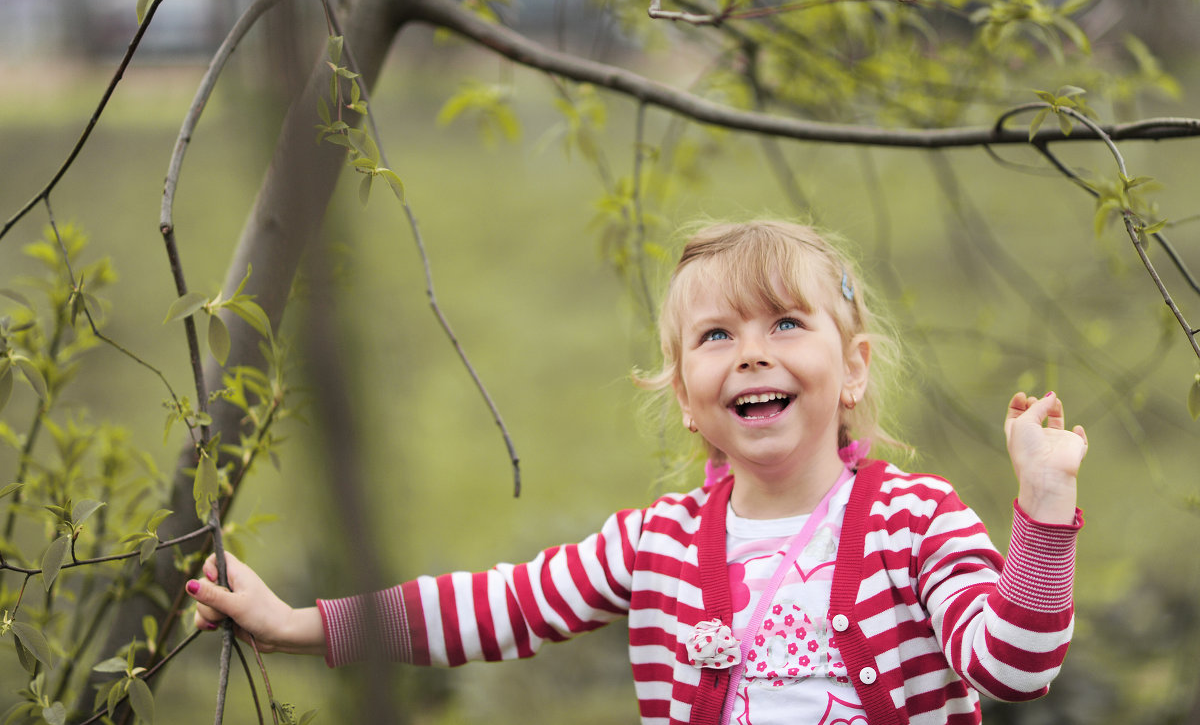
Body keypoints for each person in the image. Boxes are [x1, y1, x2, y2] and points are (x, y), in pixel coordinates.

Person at [187, 220, 1087, 725]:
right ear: (689, 399)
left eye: (784, 325)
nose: (749, 355)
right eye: (716, 336)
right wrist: (297, 623)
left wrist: (1043, 510)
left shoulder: (916, 520)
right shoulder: (658, 543)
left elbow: (1013, 667)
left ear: (851, 369)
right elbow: (490, 608)